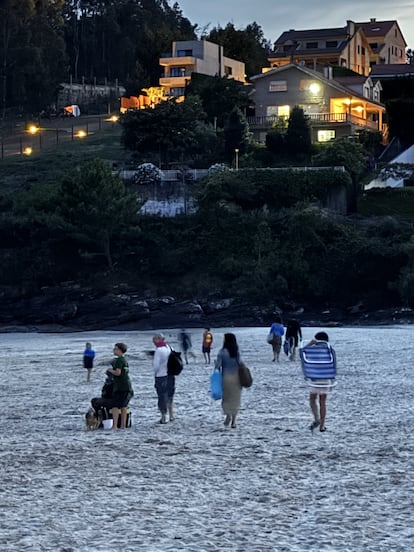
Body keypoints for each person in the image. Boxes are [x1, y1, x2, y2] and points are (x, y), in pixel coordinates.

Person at [302, 331, 336, 433]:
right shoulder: (330, 350)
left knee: (312, 399)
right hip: (326, 377)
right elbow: (333, 364)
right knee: (323, 402)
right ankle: (322, 425)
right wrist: (332, 378)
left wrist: (310, 343)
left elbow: (302, 353)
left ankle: (317, 418)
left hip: (315, 378)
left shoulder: (313, 349)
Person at [214, 333, 242, 429]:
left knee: (226, 399)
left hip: (225, 378)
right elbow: (240, 364)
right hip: (236, 378)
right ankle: (234, 421)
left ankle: (228, 415)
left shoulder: (222, 352)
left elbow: (217, 366)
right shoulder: (236, 352)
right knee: (235, 399)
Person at [105, 343, 133, 430]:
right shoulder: (124, 360)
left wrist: (109, 370)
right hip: (126, 385)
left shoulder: (118, 360)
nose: (114, 350)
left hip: (120, 386)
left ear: (120, 350)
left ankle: (115, 425)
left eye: (116, 348)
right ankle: (123, 425)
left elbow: (118, 372)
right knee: (124, 406)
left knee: (115, 406)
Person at [152, 333, 175, 423]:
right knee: (170, 395)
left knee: (162, 396)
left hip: (161, 375)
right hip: (170, 374)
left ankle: (163, 417)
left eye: (154, 339)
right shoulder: (170, 348)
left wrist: (155, 373)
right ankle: (171, 415)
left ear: (159, 339)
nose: (153, 342)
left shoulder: (159, 350)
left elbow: (156, 365)